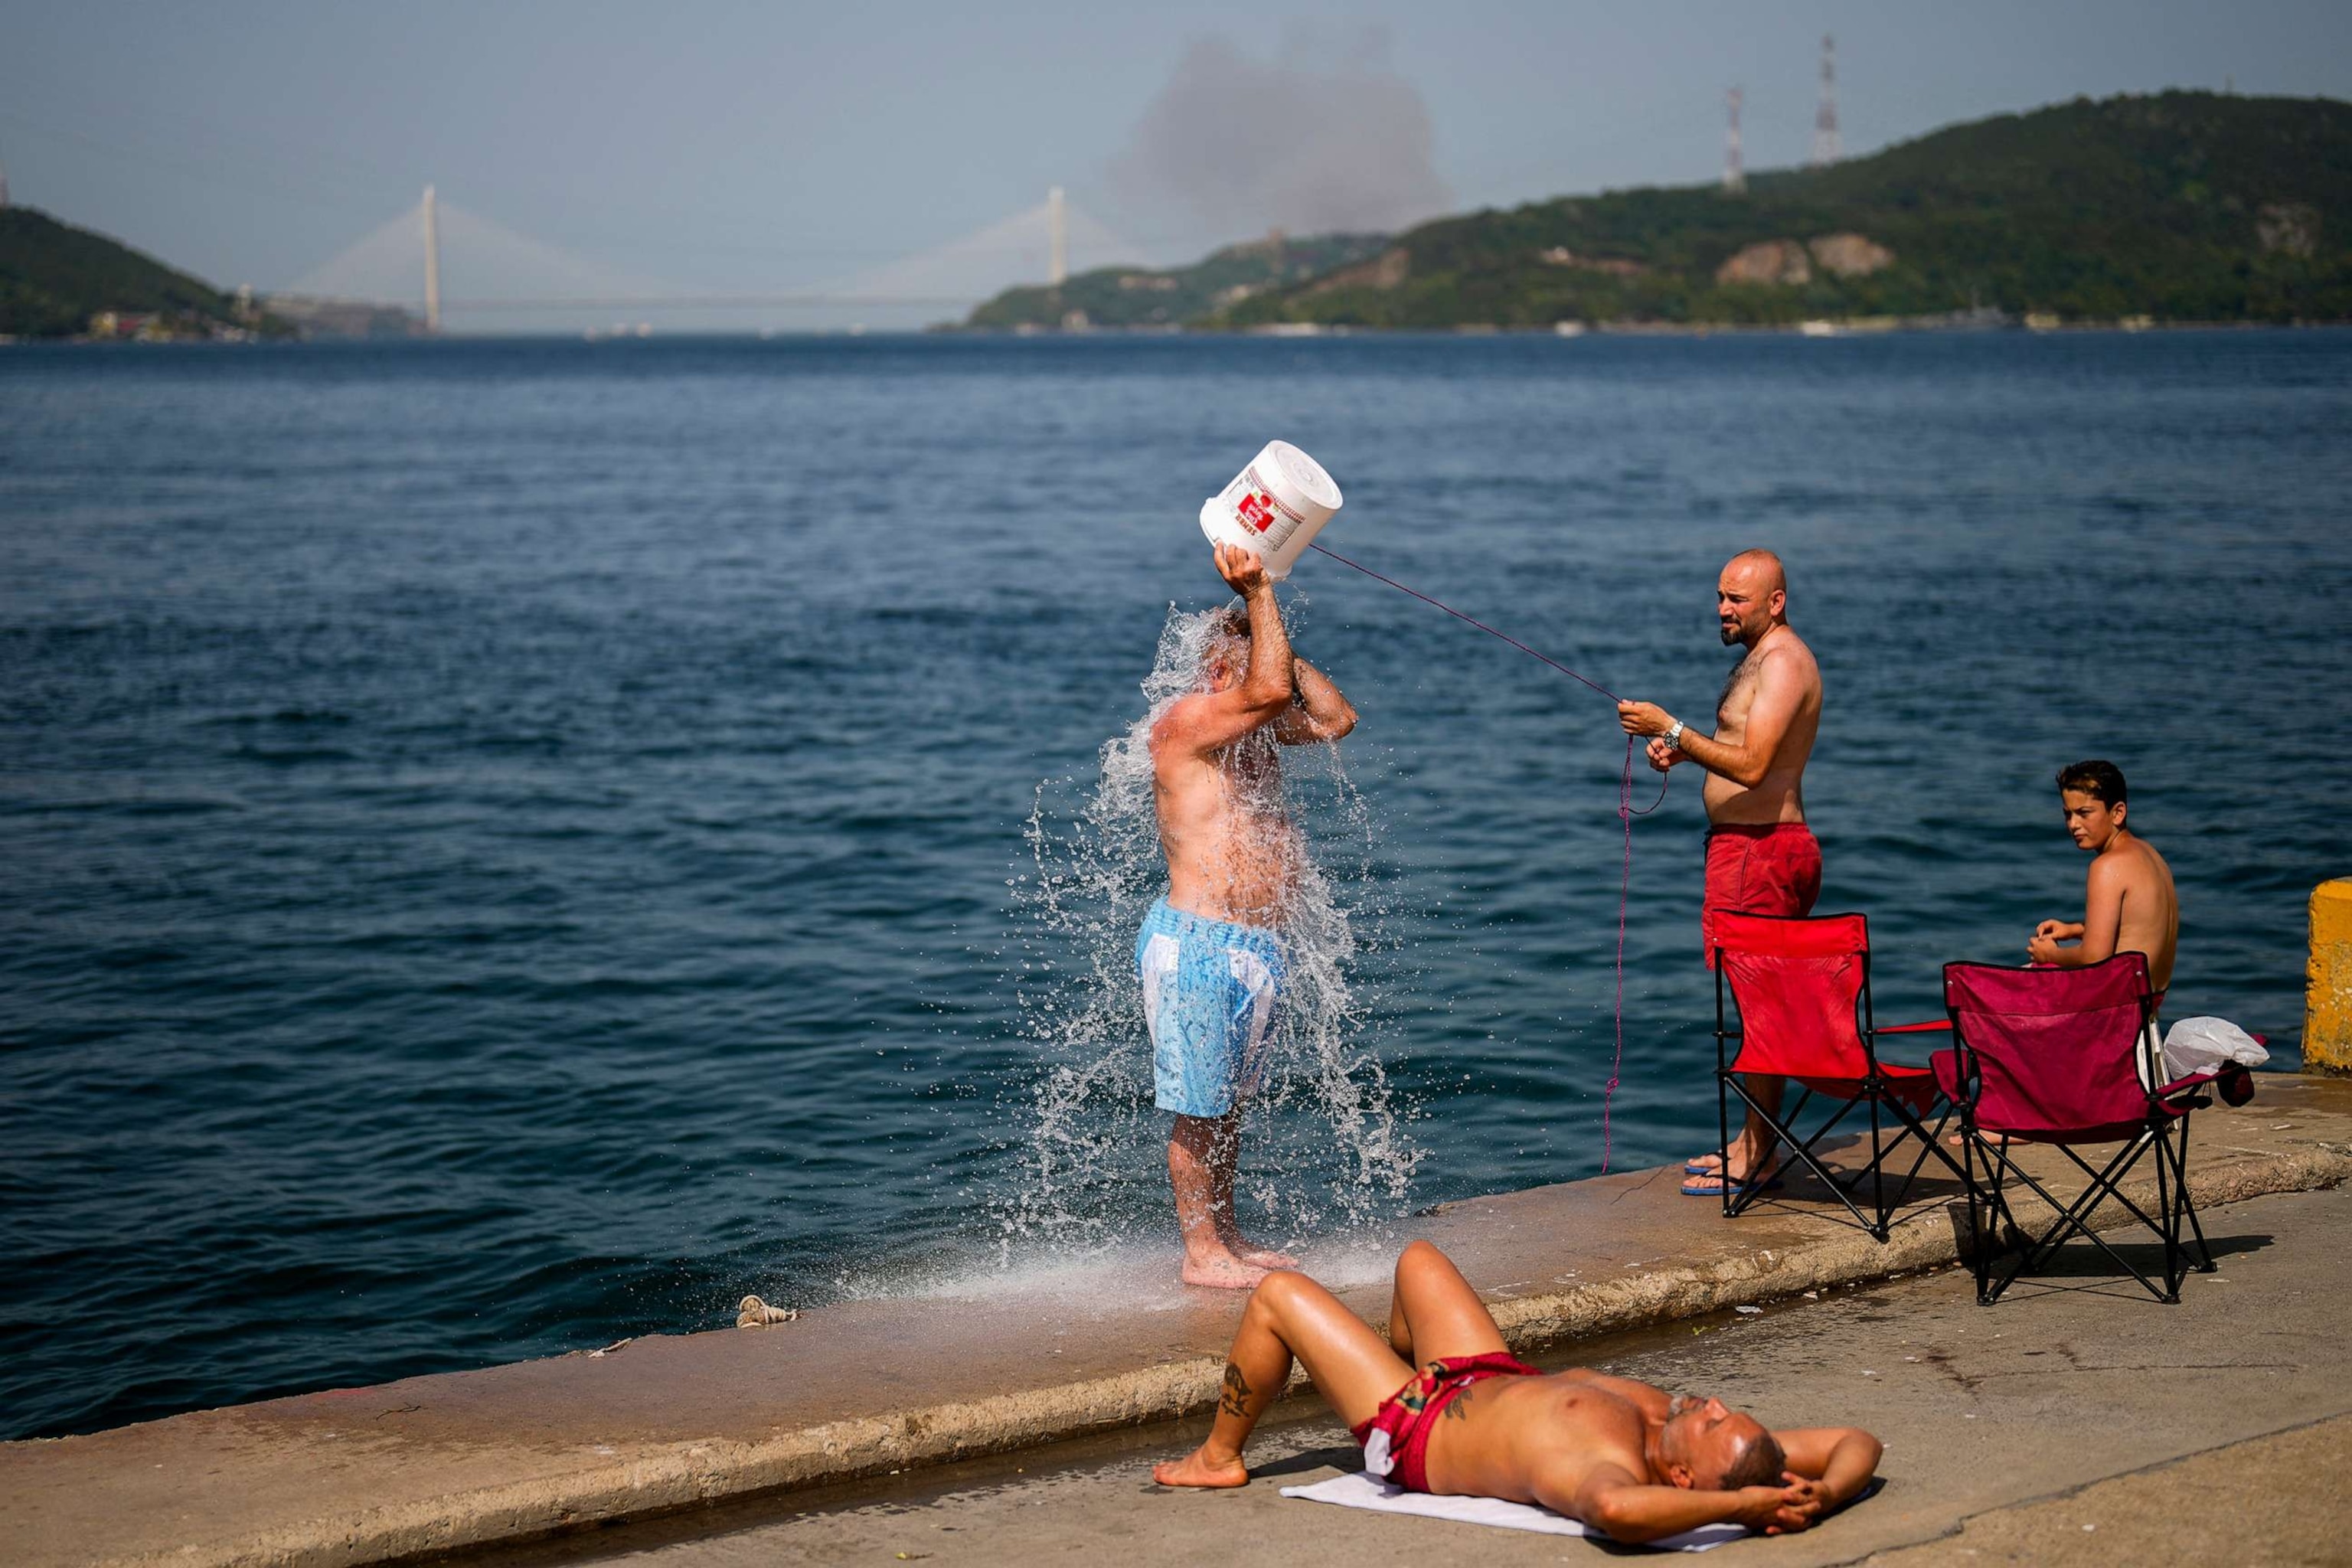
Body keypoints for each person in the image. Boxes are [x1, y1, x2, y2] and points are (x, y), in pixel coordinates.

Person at [1152, 1240, 1882, 1544]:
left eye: (1715, 1423)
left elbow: (1616, 1513)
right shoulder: (1684, 1426)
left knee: (1278, 1294)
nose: (1713, 1405)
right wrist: (1827, 1494)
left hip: (1420, 1429)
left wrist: (1745, 1508)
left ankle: (1219, 1456)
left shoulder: (1617, 1470)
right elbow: (1858, 1443)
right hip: (1487, 1376)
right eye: (1726, 1410)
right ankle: (1377, 1363)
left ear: (1687, 1478)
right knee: (1418, 1260)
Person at [1142, 540, 1358, 1289]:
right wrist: (1261, 593)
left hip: (1251, 947)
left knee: (1226, 1109)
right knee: (1197, 1110)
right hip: (1198, 943)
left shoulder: (1258, 727)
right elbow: (1266, 691)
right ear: (1213, 672)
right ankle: (1200, 1251)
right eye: (1242, 666)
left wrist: (1274, 642)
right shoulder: (1185, 722)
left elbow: (1335, 717)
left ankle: (1227, 1238)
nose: (1266, 682)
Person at [1615, 549, 1823, 1196]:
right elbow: (1739, 751)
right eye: (1721, 596)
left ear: (1776, 601)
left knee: (1760, 1004)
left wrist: (1671, 728)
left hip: (1762, 851)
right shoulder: (1760, 660)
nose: (1722, 609)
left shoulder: (1786, 661)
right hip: (1743, 849)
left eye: (1736, 598)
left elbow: (1758, 766)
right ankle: (1750, 1140)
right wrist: (1683, 754)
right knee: (1751, 1001)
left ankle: (1759, 1153)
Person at [2028, 760, 2179, 1086]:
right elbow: (2140, 925)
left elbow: (2095, 958)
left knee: (2017, 996)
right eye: (2068, 814)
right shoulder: (2149, 855)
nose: (2073, 824)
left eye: (2084, 813)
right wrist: (2076, 929)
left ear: (2118, 813)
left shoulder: (2107, 867)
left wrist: (2049, 956)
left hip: (2119, 1009)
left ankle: (2017, 1117)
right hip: (2149, 1000)